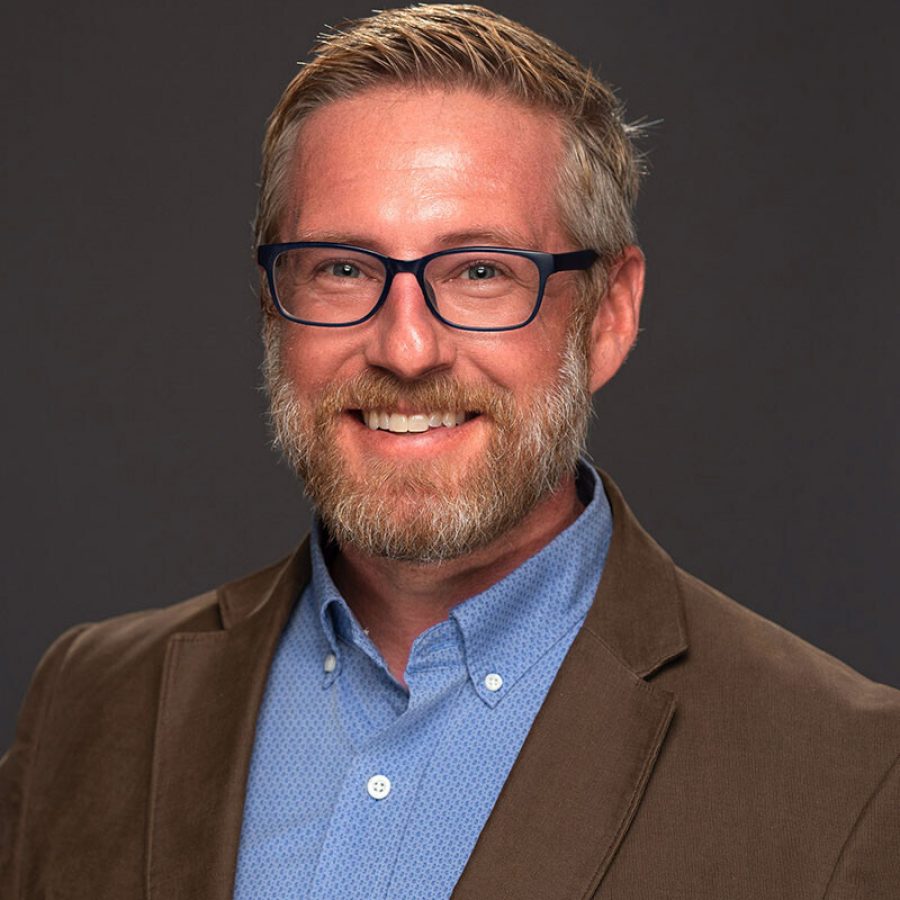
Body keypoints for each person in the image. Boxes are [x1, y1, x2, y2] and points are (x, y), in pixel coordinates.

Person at [2, 4, 898, 897]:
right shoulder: (92, 702)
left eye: (478, 272)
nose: (406, 349)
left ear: (609, 315)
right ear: (274, 305)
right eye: (343, 267)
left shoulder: (849, 777)